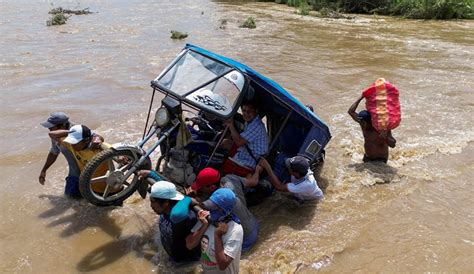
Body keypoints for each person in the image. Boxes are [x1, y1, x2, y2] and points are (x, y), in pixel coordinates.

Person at [189, 168, 259, 251]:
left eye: (201, 187)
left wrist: (194, 200)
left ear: (212, 187)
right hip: (253, 224)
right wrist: (258, 169)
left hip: (245, 240)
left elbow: (205, 212)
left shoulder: (220, 203)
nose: (198, 189)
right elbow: (254, 182)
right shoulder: (229, 178)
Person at [186, 188, 243, 273]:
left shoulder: (235, 230)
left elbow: (223, 265)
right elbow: (189, 245)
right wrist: (204, 226)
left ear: (225, 211)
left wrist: (217, 236)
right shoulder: (206, 218)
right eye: (210, 206)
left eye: (214, 208)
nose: (210, 210)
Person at [49, 124, 110, 194]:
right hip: (92, 191)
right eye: (71, 141)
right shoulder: (71, 146)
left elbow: (117, 153)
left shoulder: (99, 149)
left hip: (109, 190)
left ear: (86, 140)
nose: (72, 145)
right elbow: (51, 134)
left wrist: (120, 158)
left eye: (75, 142)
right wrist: (71, 132)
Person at [148, 181, 200, 262]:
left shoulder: (183, 217)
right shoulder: (165, 209)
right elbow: (164, 186)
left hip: (185, 262)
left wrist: (187, 199)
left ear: (166, 203)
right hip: (172, 254)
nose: (151, 206)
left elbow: (177, 214)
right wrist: (150, 174)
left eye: (153, 202)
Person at [39, 112, 81, 197]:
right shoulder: (56, 135)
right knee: (70, 197)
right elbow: (54, 152)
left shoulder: (79, 132)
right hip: (74, 172)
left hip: (89, 170)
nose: (50, 130)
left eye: (51, 128)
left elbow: (94, 136)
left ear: (62, 126)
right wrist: (44, 170)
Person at [222, 100, 268, 177]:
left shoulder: (256, 126)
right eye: (244, 111)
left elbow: (239, 142)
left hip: (248, 160)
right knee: (225, 143)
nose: (246, 114)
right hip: (245, 151)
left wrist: (231, 125)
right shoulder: (250, 122)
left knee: (221, 163)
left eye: (249, 112)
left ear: (256, 112)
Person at [348, 95, 396, 163]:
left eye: (363, 122)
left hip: (381, 160)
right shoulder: (362, 123)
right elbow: (351, 112)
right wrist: (361, 97)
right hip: (367, 157)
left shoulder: (382, 128)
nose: (360, 123)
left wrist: (386, 138)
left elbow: (393, 144)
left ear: (369, 121)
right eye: (360, 121)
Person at [259, 156, 324, 202]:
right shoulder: (304, 167)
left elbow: (279, 187)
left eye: (289, 167)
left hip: (312, 201)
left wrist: (268, 167)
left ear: (296, 173)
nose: (287, 167)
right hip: (303, 194)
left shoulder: (306, 184)